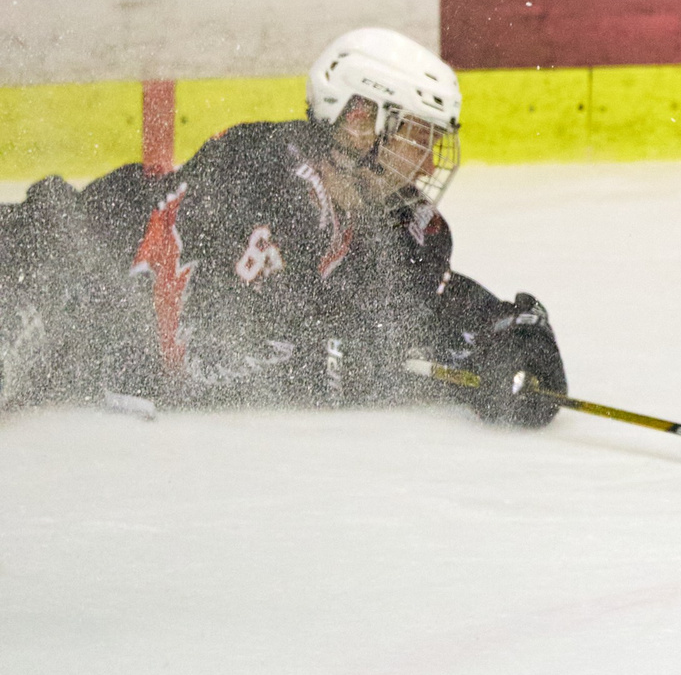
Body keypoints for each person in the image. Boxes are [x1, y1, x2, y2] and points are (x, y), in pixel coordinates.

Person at [0, 28, 564, 426]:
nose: (428, 164)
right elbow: (188, 355)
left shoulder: (396, 224)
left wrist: (512, 336)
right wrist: (333, 363)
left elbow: (428, 306)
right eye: (419, 137)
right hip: (36, 261)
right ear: (362, 120)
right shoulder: (262, 173)